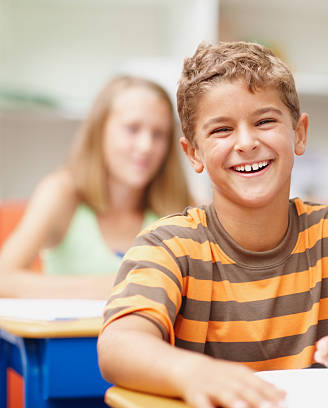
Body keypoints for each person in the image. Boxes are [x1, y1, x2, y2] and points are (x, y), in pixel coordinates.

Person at [97, 41, 328, 408]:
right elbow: (118, 345)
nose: (247, 142)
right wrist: (191, 372)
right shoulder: (167, 244)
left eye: (265, 121)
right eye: (221, 130)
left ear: (299, 133)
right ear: (193, 153)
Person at [0, 75, 192, 299]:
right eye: (132, 129)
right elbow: (4, 279)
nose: (146, 146)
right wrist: (118, 285)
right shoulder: (62, 192)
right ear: (100, 130)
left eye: (158, 134)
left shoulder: (181, 205)